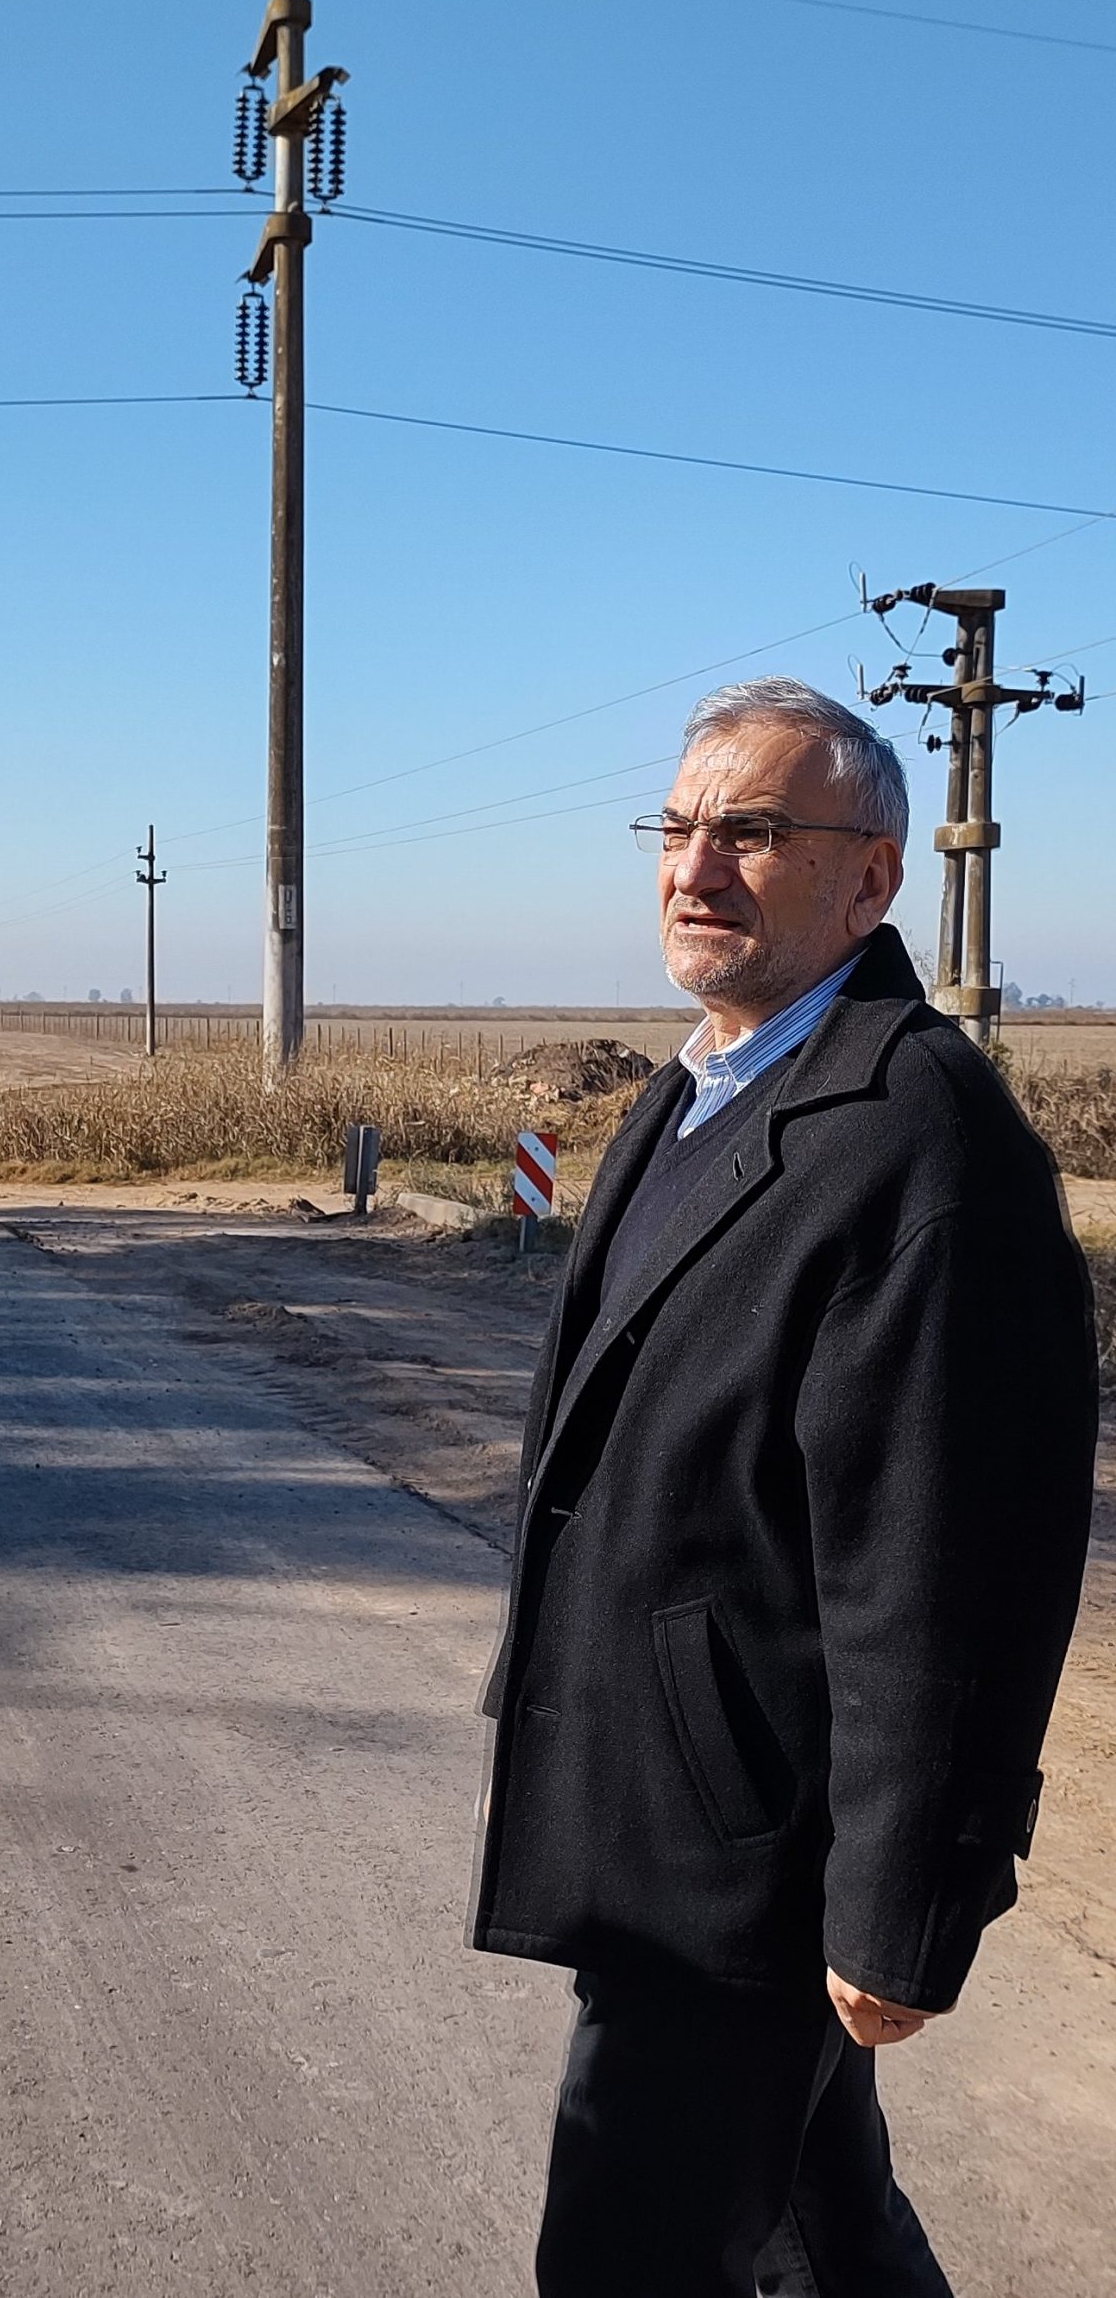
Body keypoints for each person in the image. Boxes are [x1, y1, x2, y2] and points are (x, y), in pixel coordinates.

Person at [468, 677, 1098, 2296]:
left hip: (748, 1858)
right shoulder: (697, 1089)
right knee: (827, 2229)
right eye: (678, 828)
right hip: (667, 1800)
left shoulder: (919, 1139)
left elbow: (939, 1561)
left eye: (751, 832)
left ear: (872, 876)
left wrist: (903, 1897)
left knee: (622, 2257)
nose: (695, 869)